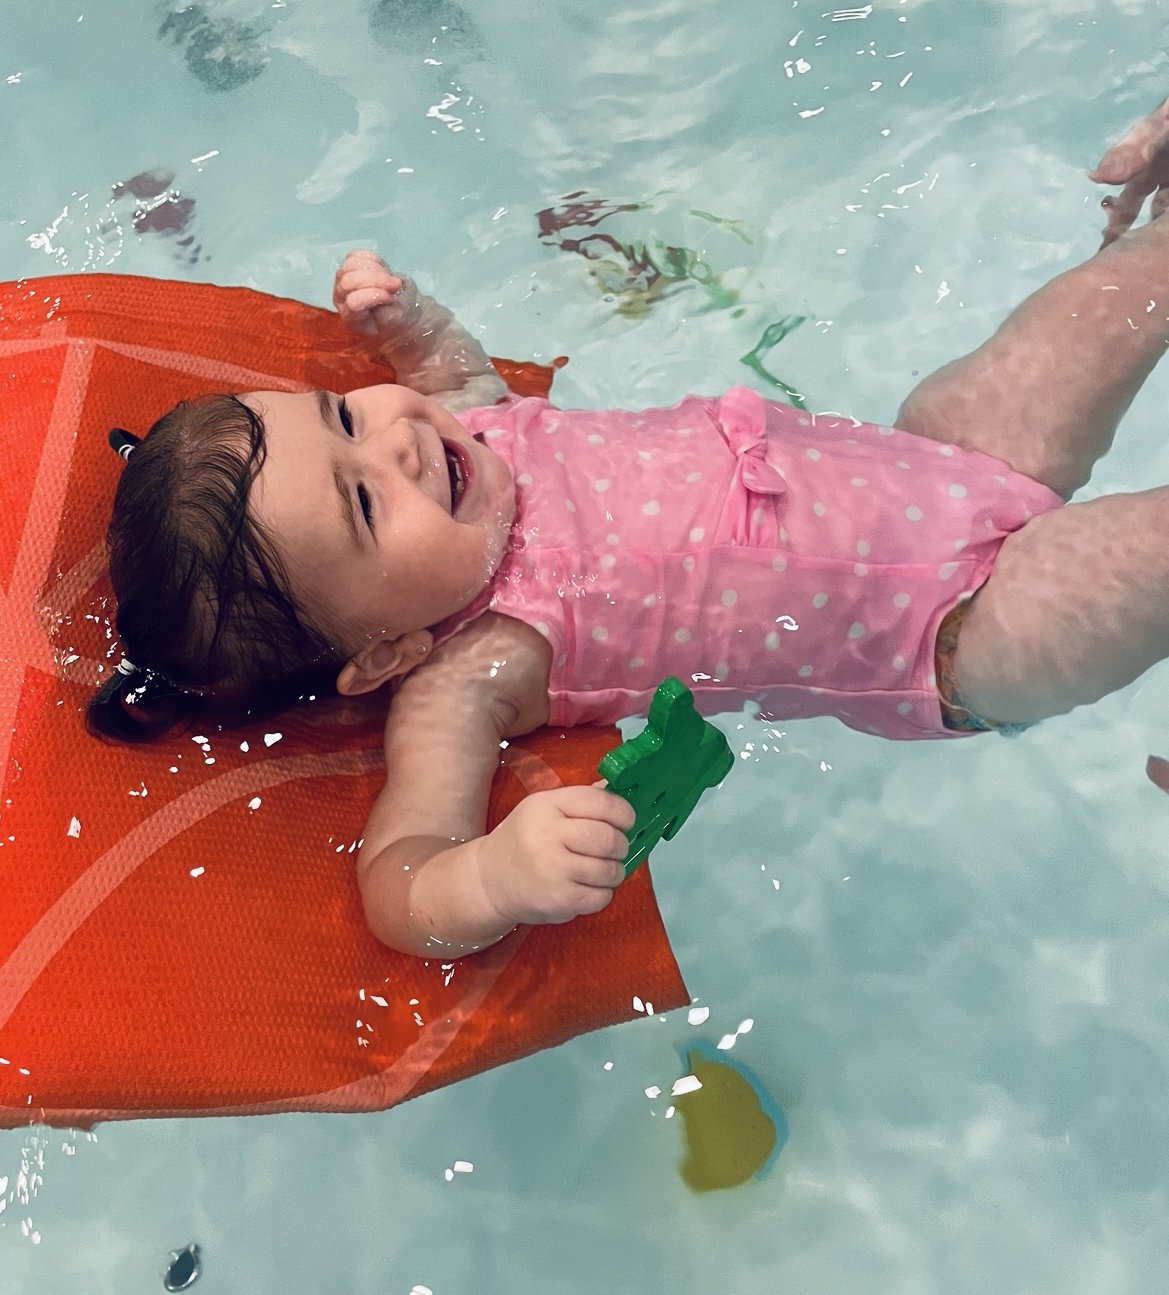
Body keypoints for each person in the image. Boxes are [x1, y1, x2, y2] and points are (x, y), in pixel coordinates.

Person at [90, 96, 1169, 957]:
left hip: (932, 456)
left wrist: (403, 326)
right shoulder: (466, 674)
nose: (396, 442)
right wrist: (492, 877)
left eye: (340, 416)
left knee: (1119, 291)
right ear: (385, 650)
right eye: (364, 501)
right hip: (956, 632)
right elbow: (399, 881)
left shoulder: (465, 426)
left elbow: (447, 375)